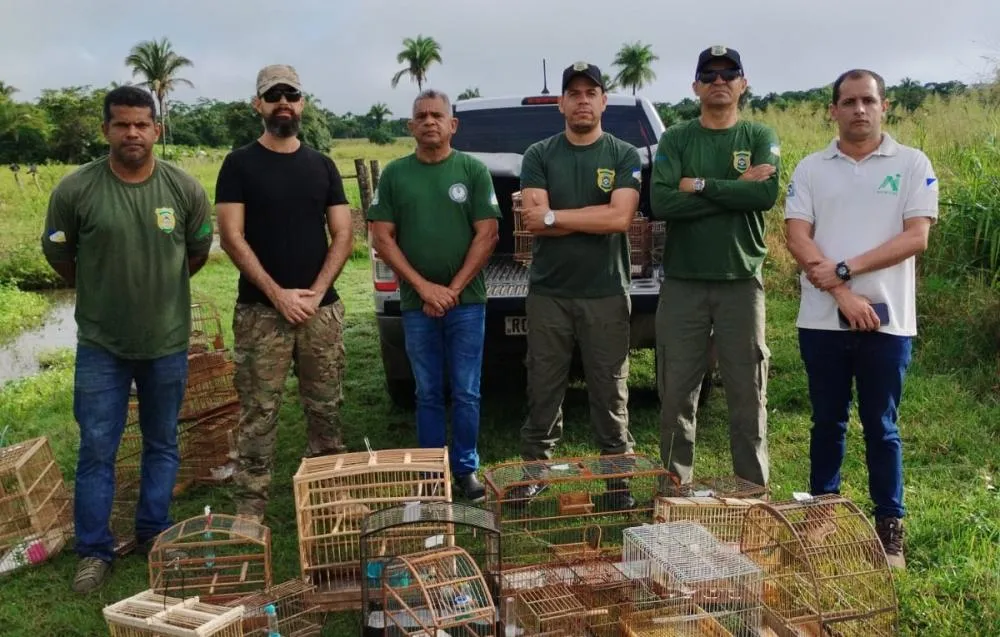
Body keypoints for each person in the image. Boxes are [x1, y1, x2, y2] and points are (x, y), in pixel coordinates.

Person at [41, 86, 213, 593]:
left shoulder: (183, 189)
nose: (132, 133)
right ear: (106, 130)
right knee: (97, 448)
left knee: (162, 443)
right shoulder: (75, 190)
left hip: (166, 343)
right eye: (122, 124)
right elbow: (60, 256)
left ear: (157, 129)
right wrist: (101, 291)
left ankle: (155, 534)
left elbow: (196, 252)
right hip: (101, 346)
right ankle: (94, 551)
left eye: (142, 124)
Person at [784, 69, 937, 569]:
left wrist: (846, 271)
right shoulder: (811, 168)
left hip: (888, 324)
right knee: (827, 421)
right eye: (847, 102)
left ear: (884, 106)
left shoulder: (912, 164)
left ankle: (889, 523)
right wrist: (843, 296)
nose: (858, 110)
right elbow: (798, 237)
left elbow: (916, 237)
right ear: (832, 110)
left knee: (881, 425)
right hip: (823, 322)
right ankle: (822, 510)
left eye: (868, 100)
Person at [216, 64, 353, 521]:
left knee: (326, 410)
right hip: (261, 314)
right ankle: (250, 510)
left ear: (302, 103)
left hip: (320, 312)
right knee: (258, 413)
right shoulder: (238, 165)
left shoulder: (322, 166)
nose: (283, 103)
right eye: (273, 95)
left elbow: (343, 235)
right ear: (258, 104)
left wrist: (315, 293)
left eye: (290, 95)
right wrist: (278, 295)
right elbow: (233, 237)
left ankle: (330, 497)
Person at [650, 45, 779, 491]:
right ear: (696, 86)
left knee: (747, 396)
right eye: (709, 74)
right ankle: (673, 494)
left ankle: (752, 494)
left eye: (729, 74)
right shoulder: (676, 139)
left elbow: (762, 197)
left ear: (743, 84)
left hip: (740, 281)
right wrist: (732, 190)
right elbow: (662, 202)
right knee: (675, 397)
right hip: (683, 283)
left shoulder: (759, 136)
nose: (719, 81)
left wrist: (700, 187)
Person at [515, 61, 641, 505]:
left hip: (606, 291)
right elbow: (534, 222)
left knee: (610, 389)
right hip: (549, 292)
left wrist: (556, 216)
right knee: (544, 385)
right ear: (561, 103)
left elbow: (621, 217)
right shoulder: (539, 154)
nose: (583, 99)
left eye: (592, 92)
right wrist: (592, 217)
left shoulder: (623, 154)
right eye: (575, 92)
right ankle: (536, 472)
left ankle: (616, 479)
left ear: (604, 100)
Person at [367, 89, 500, 502]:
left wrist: (453, 289)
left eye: (437, 115)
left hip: (467, 301)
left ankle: (464, 469)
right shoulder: (395, 175)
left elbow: (488, 233)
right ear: (411, 126)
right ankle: (429, 473)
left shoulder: (473, 171)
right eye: (421, 116)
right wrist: (424, 288)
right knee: (426, 390)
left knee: (466, 390)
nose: (429, 122)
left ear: (452, 125)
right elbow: (381, 237)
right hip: (416, 304)